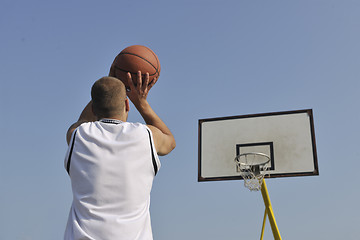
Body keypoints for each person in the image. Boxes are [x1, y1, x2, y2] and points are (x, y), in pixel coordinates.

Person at [64, 72, 176, 240]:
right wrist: (142, 103)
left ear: (94, 108)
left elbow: (81, 121)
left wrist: (111, 79)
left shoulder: (78, 136)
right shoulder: (145, 136)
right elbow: (170, 141)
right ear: (127, 104)